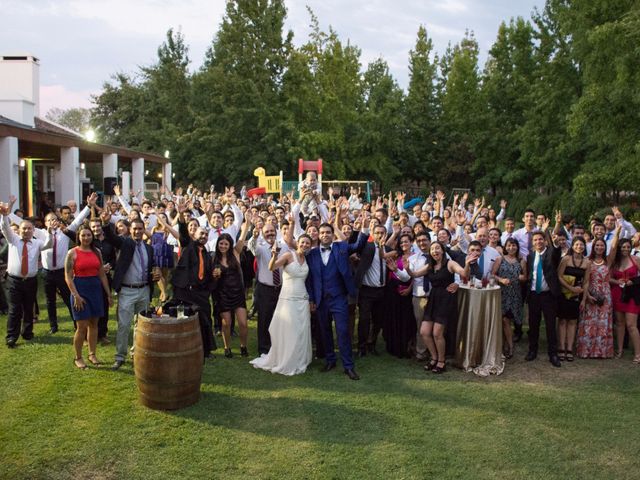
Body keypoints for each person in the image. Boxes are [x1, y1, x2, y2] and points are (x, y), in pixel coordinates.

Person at [306, 221, 368, 380]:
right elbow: (310, 279)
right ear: (318, 236)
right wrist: (311, 299)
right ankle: (330, 360)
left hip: (339, 298)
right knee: (325, 331)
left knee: (343, 332)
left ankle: (348, 366)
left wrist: (364, 227)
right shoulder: (311, 254)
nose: (325, 235)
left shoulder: (341, 247)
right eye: (322, 233)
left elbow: (359, 245)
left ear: (333, 235)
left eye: (328, 232)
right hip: (320, 300)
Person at [101, 213, 159, 370]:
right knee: (124, 325)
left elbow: (152, 266)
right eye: (134, 229)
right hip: (127, 290)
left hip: (144, 290)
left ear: (143, 229)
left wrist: (156, 272)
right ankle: (120, 356)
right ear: (130, 230)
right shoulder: (125, 243)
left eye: (140, 229)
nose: (137, 232)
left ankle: (136, 353)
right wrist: (106, 223)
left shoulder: (149, 248)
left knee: (141, 325)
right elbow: (112, 238)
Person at [406, 241, 474, 373]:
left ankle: (441, 361)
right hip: (433, 299)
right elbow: (414, 275)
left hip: (446, 300)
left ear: (443, 250)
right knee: (425, 332)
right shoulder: (430, 266)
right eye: (432, 249)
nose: (434, 251)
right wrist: (408, 268)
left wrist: (466, 264)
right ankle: (434, 358)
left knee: (437, 333)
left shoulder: (450, 263)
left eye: (437, 248)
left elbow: (464, 274)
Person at [250, 234, 313, 375]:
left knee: (301, 329)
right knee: (289, 329)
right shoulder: (288, 255)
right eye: (302, 242)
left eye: (308, 243)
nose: (305, 245)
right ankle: (286, 359)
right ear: (298, 243)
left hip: (302, 298)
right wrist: (274, 255)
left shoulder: (306, 258)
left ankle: (299, 358)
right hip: (288, 298)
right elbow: (271, 267)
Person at [0, 202, 53, 347]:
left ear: (33, 230)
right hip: (14, 281)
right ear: (19, 230)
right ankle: (12, 336)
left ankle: (27, 333)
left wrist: (49, 231)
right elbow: (5, 228)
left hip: (30, 281)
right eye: (24, 228)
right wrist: (4, 216)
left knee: (28, 308)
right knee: (14, 310)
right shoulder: (13, 240)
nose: (26, 231)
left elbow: (49, 245)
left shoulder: (37, 243)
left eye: (29, 229)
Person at [64, 227, 113, 369]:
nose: (86, 238)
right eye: (83, 235)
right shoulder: (72, 253)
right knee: (81, 326)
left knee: (94, 324)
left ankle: (92, 354)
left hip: (95, 290)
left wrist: (108, 294)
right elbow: (68, 276)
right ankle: (78, 357)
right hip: (80, 289)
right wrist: (76, 295)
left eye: (88, 235)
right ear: (78, 237)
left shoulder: (97, 252)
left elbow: (102, 274)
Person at [172, 223, 216, 359]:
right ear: (194, 235)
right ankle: (180, 349)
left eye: (206, 235)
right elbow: (183, 234)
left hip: (201, 293)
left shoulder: (207, 255)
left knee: (206, 320)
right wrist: (180, 216)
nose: (203, 236)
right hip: (184, 292)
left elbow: (208, 275)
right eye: (201, 234)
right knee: (182, 320)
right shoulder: (188, 246)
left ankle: (206, 350)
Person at [525, 213, 563, 367]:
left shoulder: (550, 253)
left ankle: (553, 354)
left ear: (545, 241)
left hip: (548, 296)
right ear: (532, 243)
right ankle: (532, 350)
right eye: (535, 240)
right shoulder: (530, 256)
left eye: (540, 239)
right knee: (533, 325)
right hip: (534, 295)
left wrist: (546, 231)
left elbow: (556, 252)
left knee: (550, 325)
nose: (538, 241)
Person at [213, 223, 250, 358]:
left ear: (230, 245)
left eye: (226, 244)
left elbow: (242, 237)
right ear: (218, 244)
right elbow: (211, 278)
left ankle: (243, 346)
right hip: (223, 295)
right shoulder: (214, 259)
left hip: (237, 293)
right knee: (227, 323)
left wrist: (247, 223)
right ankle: (227, 347)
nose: (223, 246)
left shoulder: (235, 253)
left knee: (243, 323)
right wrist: (215, 276)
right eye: (221, 244)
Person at [354, 223, 391, 356]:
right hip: (366, 291)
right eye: (377, 233)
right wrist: (363, 229)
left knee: (378, 320)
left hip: (382, 291)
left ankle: (372, 344)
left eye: (382, 233)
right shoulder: (367, 247)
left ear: (386, 234)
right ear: (373, 234)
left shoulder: (388, 249)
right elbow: (357, 246)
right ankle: (361, 347)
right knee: (364, 320)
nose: (380, 235)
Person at [577, 236, 617, 358]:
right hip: (590, 294)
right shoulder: (587, 260)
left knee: (603, 323)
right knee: (589, 322)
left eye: (602, 245)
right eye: (597, 245)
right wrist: (587, 295)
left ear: (605, 248)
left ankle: (601, 351)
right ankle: (586, 351)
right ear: (593, 247)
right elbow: (584, 280)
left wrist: (618, 232)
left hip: (605, 295)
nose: (599, 247)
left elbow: (614, 248)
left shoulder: (608, 261)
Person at [248, 221, 283, 355]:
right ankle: (263, 349)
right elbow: (252, 247)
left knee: (280, 319)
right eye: (267, 232)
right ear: (263, 234)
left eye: (272, 231)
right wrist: (255, 236)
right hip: (265, 289)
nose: (270, 234)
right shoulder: (260, 248)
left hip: (281, 288)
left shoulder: (283, 246)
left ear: (276, 231)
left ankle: (278, 345)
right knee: (264, 319)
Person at [557, 236, 589, 361]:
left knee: (572, 321)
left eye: (581, 245)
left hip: (577, 296)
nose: (579, 247)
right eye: (576, 244)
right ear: (572, 246)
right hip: (564, 294)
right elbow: (559, 276)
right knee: (562, 321)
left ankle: (569, 348)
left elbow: (586, 282)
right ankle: (561, 347)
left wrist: (584, 299)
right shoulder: (566, 259)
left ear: (584, 247)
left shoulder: (587, 262)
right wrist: (571, 288)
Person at [383, 233, 416, 358]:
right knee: (393, 317)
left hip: (406, 290)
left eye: (406, 242)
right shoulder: (397, 254)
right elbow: (383, 253)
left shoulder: (415, 257)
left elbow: (414, 276)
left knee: (405, 319)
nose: (403, 244)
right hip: (392, 290)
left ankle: (404, 347)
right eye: (401, 242)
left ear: (411, 242)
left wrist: (409, 288)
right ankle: (393, 346)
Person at [609, 237, 640, 363]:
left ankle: (638, 354)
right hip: (617, 294)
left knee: (631, 325)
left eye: (628, 247)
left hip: (632, 294)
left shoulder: (636, 259)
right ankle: (619, 350)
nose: (626, 249)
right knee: (619, 324)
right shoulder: (615, 262)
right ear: (619, 248)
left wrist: (633, 281)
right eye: (623, 247)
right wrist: (617, 281)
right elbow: (608, 278)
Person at [495, 238, 526, 359]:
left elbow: (526, 277)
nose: (511, 248)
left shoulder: (521, 261)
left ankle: (507, 345)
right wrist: (501, 280)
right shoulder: (500, 259)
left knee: (510, 320)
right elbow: (492, 274)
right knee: (504, 320)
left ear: (517, 247)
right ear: (505, 247)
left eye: (513, 245)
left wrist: (521, 277)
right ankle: (509, 345)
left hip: (515, 294)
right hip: (502, 294)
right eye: (508, 245)